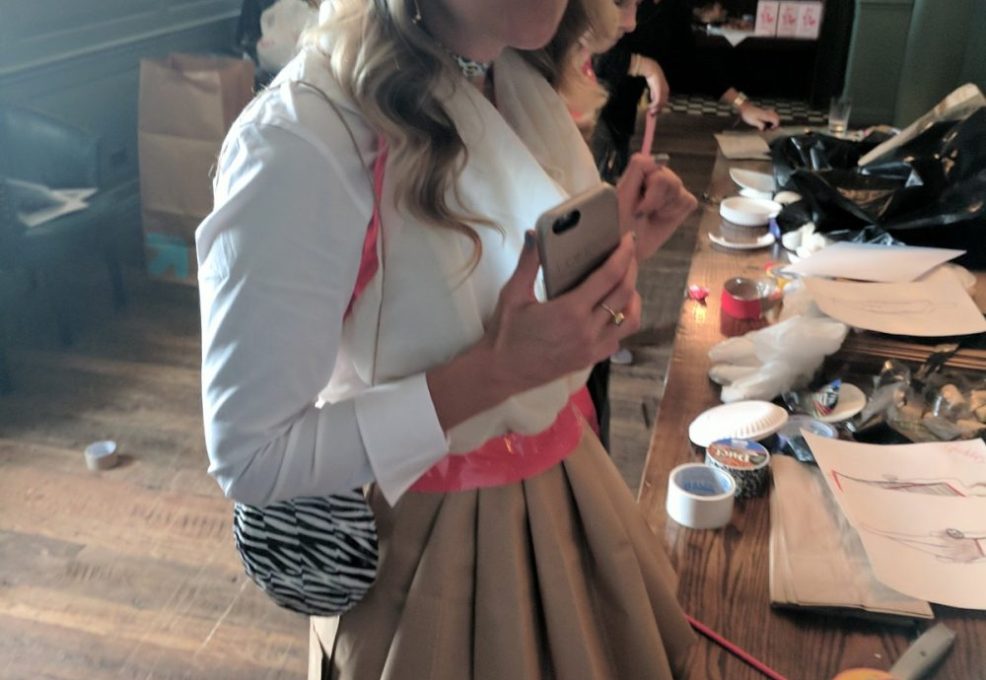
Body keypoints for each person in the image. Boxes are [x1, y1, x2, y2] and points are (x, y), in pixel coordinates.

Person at [197, 0, 698, 676]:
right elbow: (251, 457)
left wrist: (617, 257)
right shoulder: (305, 137)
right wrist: (498, 373)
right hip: (432, 553)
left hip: (571, 490)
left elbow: (483, 296)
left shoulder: (513, 72)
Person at [594, 0, 780, 178]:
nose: (631, 24)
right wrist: (642, 65)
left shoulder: (673, 7)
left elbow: (690, 63)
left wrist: (743, 105)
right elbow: (588, 48)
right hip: (591, 114)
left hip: (620, 120)